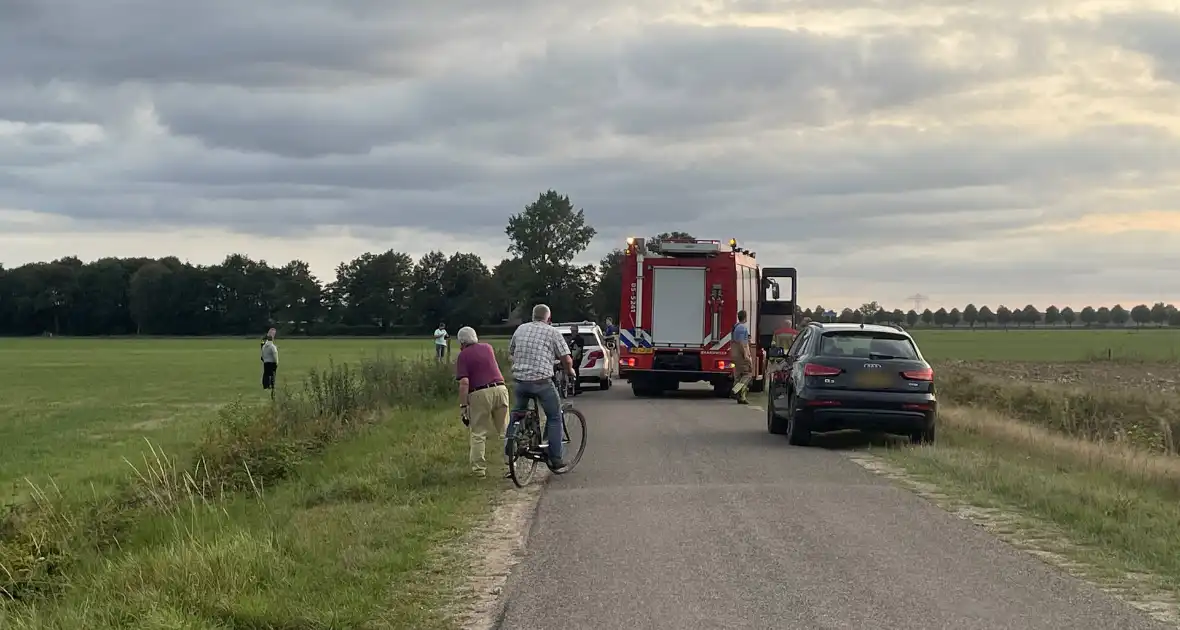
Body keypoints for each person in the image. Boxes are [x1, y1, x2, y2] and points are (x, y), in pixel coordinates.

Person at [507, 304, 576, 470]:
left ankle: (510, 449)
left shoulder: (520, 329)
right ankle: (556, 458)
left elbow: (512, 352)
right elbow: (566, 359)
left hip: (520, 381)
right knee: (554, 417)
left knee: (517, 413)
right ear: (549, 318)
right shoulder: (552, 332)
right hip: (541, 382)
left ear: (532, 316)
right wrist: (570, 372)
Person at [455, 326, 509, 479]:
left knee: (478, 433)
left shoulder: (463, 355)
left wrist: (463, 406)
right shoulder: (487, 348)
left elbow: (464, 382)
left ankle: (479, 471)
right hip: (500, 388)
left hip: (479, 392)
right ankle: (512, 463)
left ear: (461, 342)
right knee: (505, 430)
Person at [730, 310, 753, 405]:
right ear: (745, 317)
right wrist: (746, 355)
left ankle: (741, 398)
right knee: (748, 374)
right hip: (741, 355)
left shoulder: (735, 326)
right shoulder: (742, 328)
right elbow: (741, 343)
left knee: (738, 376)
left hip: (735, 354)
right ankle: (735, 390)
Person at [567, 324, 586, 396]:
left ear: (576, 330)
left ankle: (576, 387)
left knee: (575, 371)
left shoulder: (579, 339)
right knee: (573, 371)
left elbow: (579, 349)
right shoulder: (570, 338)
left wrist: (574, 357)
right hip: (571, 356)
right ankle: (572, 386)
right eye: (571, 329)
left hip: (576, 357)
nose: (572, 331)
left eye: (573, 330)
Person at [261, 330, 279, 395]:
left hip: (266, 362)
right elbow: (275, 355)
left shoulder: (264, 346)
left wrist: (264, 359)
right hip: (272, 362)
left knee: (266, 374)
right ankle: (272, 385)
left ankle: (266, 385)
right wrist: (276, 362)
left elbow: (262, 354)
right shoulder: (273, 347)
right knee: (272, 374)